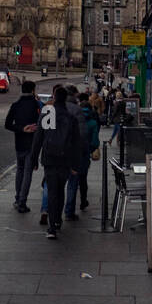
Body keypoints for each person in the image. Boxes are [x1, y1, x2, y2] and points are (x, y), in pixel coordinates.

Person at [30, 85, 79, 240]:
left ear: (55, 97)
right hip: (65, 159)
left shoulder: (47, 114)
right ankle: (57, 220)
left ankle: (52, 228)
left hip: (49, 158)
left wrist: (34, 160)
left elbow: (38, 138)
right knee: (60, 190)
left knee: (52, 192)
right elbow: (76, 142)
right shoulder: (71, 118)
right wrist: (75, 164)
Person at [4, 81, 40, 213]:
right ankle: (22, 202)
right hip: (32, 143)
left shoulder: (16, 105)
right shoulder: (36, 105)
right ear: (32, 90)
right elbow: (42, 124)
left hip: (19, 142)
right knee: (27, 173)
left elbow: (7, 124)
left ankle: (17, 198)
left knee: (20, 170)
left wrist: (21, 129)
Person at [62, 86, 91, 220]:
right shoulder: (77, 110)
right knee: (72, 184)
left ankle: (50, 212)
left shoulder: (52, 108)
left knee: (55, 185)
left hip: (56, 152)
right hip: (73, 153)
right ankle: (69, 212)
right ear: (74, 96)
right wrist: (84, 153)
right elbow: (82, 134)